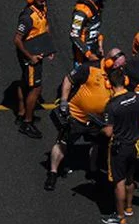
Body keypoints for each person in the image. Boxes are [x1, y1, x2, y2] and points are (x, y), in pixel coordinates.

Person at [46, 48, 123, 191]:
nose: (119, 69)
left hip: (97, 120)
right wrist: (63, 101)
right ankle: (53, 172)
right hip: (76, 116)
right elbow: (68, 79)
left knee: (96, 143)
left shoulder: (117, 75)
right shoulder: (89, 68)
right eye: (117, 65)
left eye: (121, 66)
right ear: (109, 60)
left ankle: (92, 169)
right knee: (63, 142)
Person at [100, 66, 139, 224]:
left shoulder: (112, 106)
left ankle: (120, 218)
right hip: (133, 145)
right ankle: (128, 208)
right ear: (125, 81)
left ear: (109, 84)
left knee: (118, 181)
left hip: (119, 148)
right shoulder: (136, 98)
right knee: (130, 178)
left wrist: (99, 125)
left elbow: (108, 132)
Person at [13, 0, 53, 140]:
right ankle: (27, 122)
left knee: (25, 82)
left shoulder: (42, 9)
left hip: (37, 49)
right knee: (36, 88)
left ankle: (22, 112)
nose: (43, 2)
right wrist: (30, 57)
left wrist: (49, 48)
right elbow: (17, 40)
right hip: (30, 55)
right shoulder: (27, 17)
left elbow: (46, 26)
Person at [70, 0, 113, 65]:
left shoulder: (96, 5)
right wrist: (88, 54)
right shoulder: (82, 11)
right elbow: (74, 35)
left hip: (94, 48)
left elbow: (94, 27)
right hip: (83, 56)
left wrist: (100, 43)